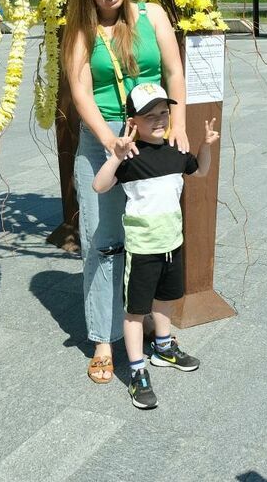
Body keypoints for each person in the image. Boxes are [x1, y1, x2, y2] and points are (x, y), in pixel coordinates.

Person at [63, 0, 190, 385]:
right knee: (103, 239)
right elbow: (81, 93)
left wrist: (181, 127)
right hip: (108, 137)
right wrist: (109, 142)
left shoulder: (151, 16)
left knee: (154, 230)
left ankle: (158, 331)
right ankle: (103, 339)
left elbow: (174, 71)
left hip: (154, 131)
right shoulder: (82, 31)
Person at [92, 82, 217, 409]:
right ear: (132, 122)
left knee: (165, 300)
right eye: (150, 116)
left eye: (164, 113)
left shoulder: (176, 152)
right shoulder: (130, 157)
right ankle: (137, 370)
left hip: (171, 243)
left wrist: (205, 146)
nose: (160, 120)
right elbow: (100, 185)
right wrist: (115, 158)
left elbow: (201, 171)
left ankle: (163, 347)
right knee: (135, 311)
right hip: (143, 247)